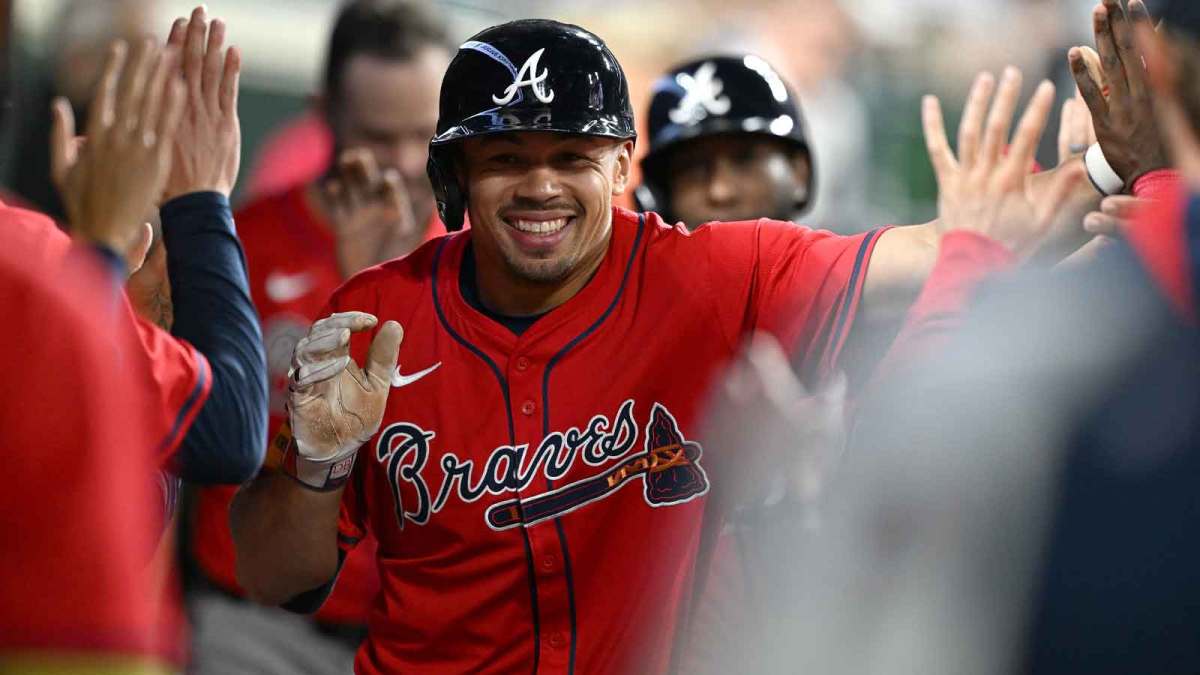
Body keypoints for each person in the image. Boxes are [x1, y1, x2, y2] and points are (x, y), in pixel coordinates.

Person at [229, 19, 1088, 673]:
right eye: (506, 156)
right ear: (454, 176)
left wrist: (1125, 172)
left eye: (573, 154)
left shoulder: (714, 272)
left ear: (619, 166)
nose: (540, 184)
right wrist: (316, 467)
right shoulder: (380, 316)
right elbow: (271, 577)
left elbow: (931, 252)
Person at [187, 2, 453, 672]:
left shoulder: (476, 263)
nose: (399, 164)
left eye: (424, 136)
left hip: (420, 630)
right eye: (377, 135)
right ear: (323, 110)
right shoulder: (240, 246)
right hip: (250, 623)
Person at [634, 54, 815, 229]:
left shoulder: (840, 259)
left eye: (744, 160)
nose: (721, 191)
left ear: (800, 172)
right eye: (691, 168)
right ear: (657, 198)